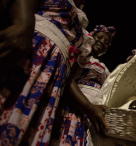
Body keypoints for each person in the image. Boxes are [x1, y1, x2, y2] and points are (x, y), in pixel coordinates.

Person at [0, 0, 108, 145]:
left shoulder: (79, 24)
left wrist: (89, 108)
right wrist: (23, 25)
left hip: (53, 79)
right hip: (33, 56)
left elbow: (68, 78)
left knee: (24, 130)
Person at [50, 25, 116, 146]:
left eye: (106, 42)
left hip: (93, 114)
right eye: (99, 37)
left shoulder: (106, 69)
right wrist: (88, 106)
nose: (102, 41)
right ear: (90, 37)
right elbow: (68, 78)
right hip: (76, 106)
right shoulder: (81, 55)